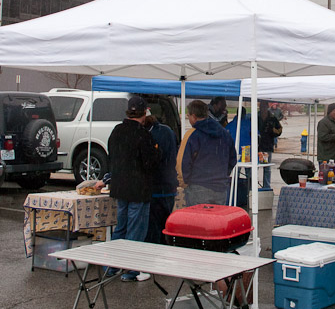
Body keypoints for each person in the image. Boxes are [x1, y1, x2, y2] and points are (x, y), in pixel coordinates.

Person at [95, 95, 161, 281]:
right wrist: (157, 152)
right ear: (145, 112)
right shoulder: (143, 135)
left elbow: (112, 158)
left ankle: (112, 266)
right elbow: (150, 161)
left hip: (120, 187)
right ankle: (131, 271)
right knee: (136, 230)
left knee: (120, 228)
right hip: (138, 189)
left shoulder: (117, 131)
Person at [177, 99, 237, 206]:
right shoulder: (224, 133)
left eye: (188, 116)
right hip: (220, 188)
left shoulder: (192, 135)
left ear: (194, 116)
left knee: (198, 221)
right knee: (217, 221)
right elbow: (232, 159)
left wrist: (184, 182)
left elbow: (182, 162)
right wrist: (223, 175)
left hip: (198, 186)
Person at [144, 111, 178, 246]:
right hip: (169, 187)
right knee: (165, 227)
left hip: (156, 188)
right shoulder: (168, 131)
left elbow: (152, 162)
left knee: (153, 230)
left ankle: (155, 258)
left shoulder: (149, 134)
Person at [225, 106, 252, 209]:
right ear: (244, 114)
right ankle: (249, 197)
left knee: (234, 177)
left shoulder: (230, 125)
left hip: (234, 155)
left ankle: (233, 198)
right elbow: (257, 136)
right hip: (247, 154)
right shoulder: (249, 124)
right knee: (249, 177)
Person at [257, 100, 283, 189]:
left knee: (267, 168)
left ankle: (266, 187)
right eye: (261, 106)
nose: (263, 108)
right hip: (257, 147)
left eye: (264, 106)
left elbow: (279, 129)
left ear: (267, 106)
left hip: (268, 146)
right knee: (255, 166)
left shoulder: (272, 118)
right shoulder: (255, 117)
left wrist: (272, 131)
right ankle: (252, 186)